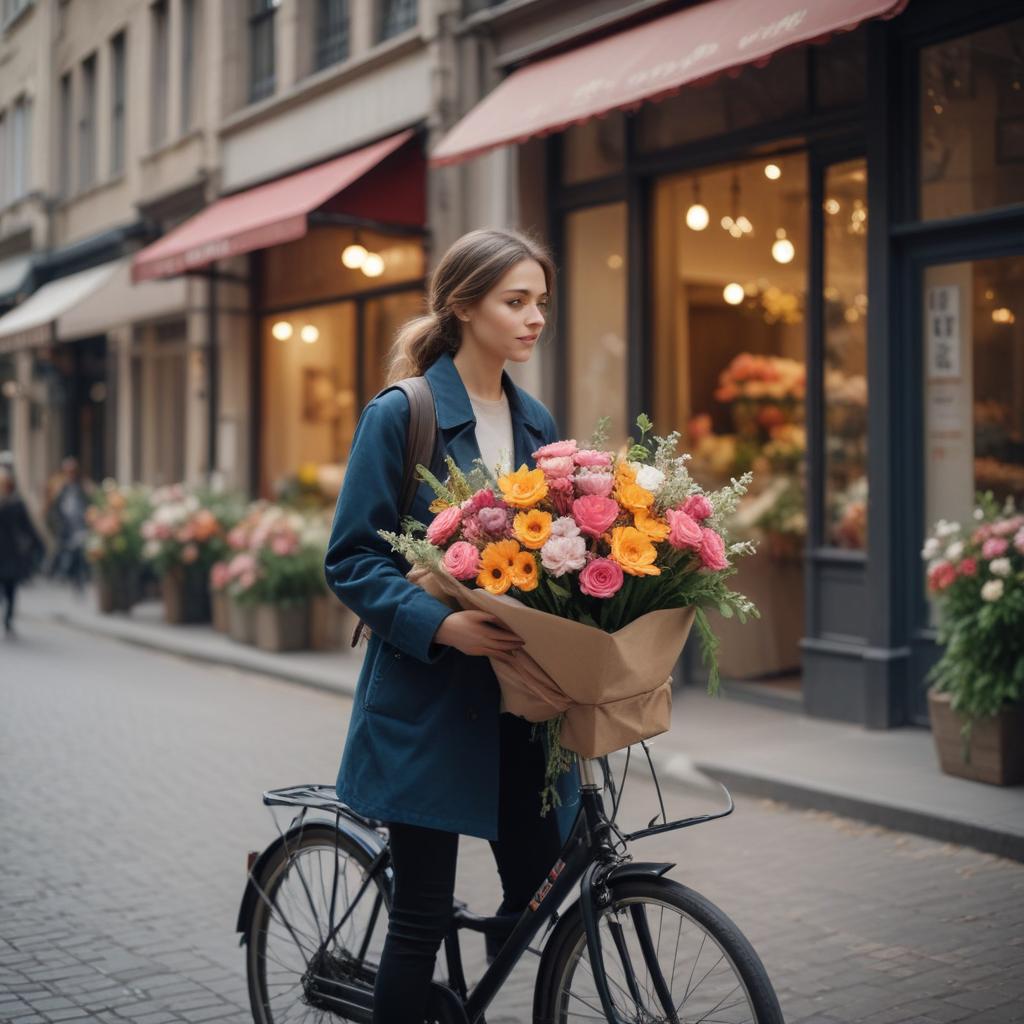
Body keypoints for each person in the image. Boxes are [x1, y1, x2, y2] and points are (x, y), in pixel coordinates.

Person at [324, 228, 579, 1022]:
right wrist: (440, 626)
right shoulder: (405, 414)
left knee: (545, 887)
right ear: (465, 306)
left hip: (519, 705)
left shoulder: (537, 423)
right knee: (422, 917)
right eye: (516, 301)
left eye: (541, 301)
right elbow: (351, 559)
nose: (535, 318)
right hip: (427, 710)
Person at [0, 467, 45, 635]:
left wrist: (39, 544)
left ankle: (8, 617)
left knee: (11, 586)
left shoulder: (17, 503)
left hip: (11, 552)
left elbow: (27, 526)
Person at [46, 456, 92, 591]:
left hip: (80, 525)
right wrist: (57, 525)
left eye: (73, 471)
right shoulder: (60, 486)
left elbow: (88, 502)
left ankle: (79, 577)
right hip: (66, 527)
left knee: (80, 553)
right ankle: (60, 573)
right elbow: (52, 507)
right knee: (64, 552)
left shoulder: (82, 485)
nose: (71, 473)